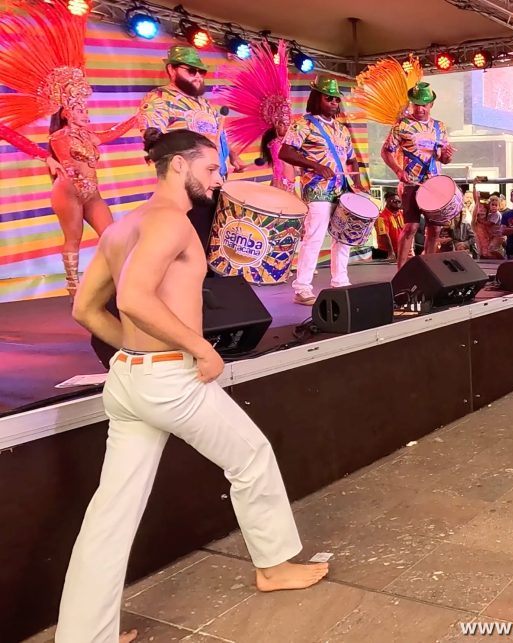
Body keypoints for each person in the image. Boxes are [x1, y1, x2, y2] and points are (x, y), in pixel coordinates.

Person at [57, 131, 328, 643]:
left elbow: (84, 309)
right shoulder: (168, 222)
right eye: (210, 169)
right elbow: (135, 298)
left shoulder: (121, 227)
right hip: (168, 381)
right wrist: (200, 350)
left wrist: (129, 353)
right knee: (251, 457)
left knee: (111, 511)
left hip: (131, 382)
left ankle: (82, 635)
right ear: (179, 165)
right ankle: (272, 568)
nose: (217, 178)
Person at [0, 0, 139, 300]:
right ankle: (74, 288)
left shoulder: (89, 134)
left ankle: (117, 283)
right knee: (73, 240)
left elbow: (109, 134)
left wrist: (135, 119)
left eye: (84, 106)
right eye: (76, 107)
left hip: (93, 193)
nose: (83, 111)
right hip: (69, 192)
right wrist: (47, 158)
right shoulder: (60, 136)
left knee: (111, 235)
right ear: (65, 112)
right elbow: (43, 145)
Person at [140, 46, 247, 249]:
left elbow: (219, 133)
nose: (198, 76)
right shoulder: (159, 98)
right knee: (189, 239)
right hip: (186, 182)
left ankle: (207, 278)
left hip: (214, 180)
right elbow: (153, 138)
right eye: (191, 70)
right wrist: (195, 140)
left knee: (210, 236)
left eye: (201, 71)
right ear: (172, 70)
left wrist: (233, 155)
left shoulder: (205, 104)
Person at [279, 74, 364, 305]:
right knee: (314, 237)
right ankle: (302, 288)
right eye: (329, 99)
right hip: (316, 189)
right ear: (317, 98)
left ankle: (340, 281)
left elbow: (351, 159)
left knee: (343, 236)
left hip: (341, 189)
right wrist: (315, 165)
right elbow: (285, 152)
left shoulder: (342, 130)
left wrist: (357, 184)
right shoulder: (303, 124)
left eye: (337, 99)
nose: (334, 103)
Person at [381, 82, 454, 270]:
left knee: (435, 229)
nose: (419, 108)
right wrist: (398, 170)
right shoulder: (402, 125)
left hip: (435, 184)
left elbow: (444, 159)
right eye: (416, 104)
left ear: (431, 105)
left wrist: (447, 156)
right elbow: (386, 151)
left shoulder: (440, 127)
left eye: (424, 104)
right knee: (411, 227)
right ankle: (401, 271)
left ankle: (428, 270)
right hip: (412, 183)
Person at [220, 39, 295, 193]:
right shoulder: (276, 143)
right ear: (274, 125)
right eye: (282, 123)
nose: (286, 126)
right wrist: (285, 188)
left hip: (287, 188)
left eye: (288, 123)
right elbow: (280, 168)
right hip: (282, 189)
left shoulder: (287, 142)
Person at [376, 192, 405, 261]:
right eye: (394, 201)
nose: (397, 203)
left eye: (399, 201)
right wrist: (391, 252)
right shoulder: (381, 217)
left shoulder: (401, 213)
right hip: (387, 252)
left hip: (400, 250)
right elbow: (384, 235)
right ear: (387, 202)